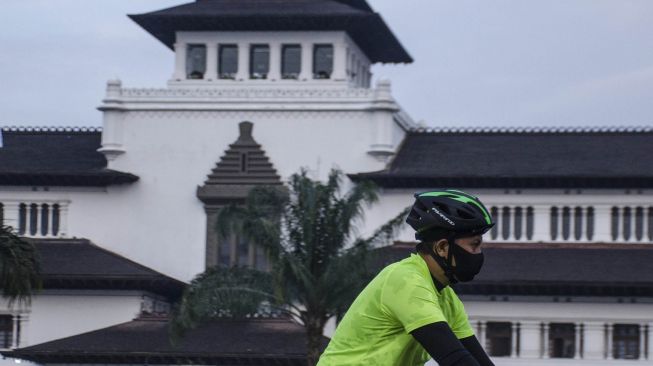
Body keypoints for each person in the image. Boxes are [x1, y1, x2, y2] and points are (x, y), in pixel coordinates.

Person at [317, 189, 496, 366]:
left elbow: (478, 360)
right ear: (442, 247)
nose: (479, 253)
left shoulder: (448, 300)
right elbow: (454, 359)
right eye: (474, 245)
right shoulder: (405, 280)